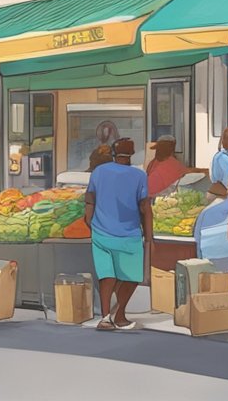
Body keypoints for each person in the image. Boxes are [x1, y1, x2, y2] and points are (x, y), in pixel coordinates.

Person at [86, 138, 152, 331]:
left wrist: (90, 221)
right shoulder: (139, 176)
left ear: (114, 153)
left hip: (101, 232)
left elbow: (89, 199)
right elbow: (144, 206)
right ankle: (119, 313)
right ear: (132, 153)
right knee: (131, 277)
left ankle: (107, 317)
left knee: (107, 276)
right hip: (128, 234)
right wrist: (149, 236)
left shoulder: (99, 172)